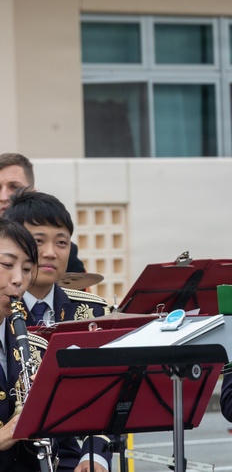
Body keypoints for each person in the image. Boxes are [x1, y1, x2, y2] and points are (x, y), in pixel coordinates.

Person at [0, 218, 109, 472]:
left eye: (27, 269)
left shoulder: (35, 348)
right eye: (6, 265)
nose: (18, 279)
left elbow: (64, 443)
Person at [2, 190, 108, 326]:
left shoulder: (94, 312)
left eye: (61, 242)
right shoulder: (3, 310)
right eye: (38, 241)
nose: (50, 253)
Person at [0, 153, 85, 273]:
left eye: (14, 187)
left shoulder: (63, 250)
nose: (3, 197)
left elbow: (76, 288)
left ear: (32, 193)